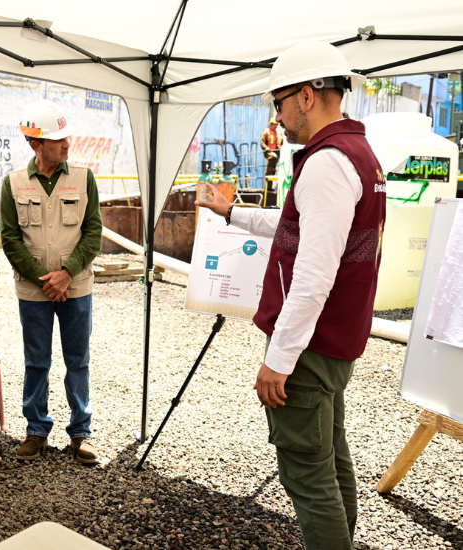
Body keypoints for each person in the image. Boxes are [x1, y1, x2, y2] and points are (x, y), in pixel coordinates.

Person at [196, 42, 386, 549]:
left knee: (307, 474)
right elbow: (299, 226)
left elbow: (314, 275)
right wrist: (232, 213)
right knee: (330, 458)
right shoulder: (357, 155)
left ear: (306, 96)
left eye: (278, 104)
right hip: (334, 341)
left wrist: (278, 359)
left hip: (309, 347)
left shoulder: (326, 162)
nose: (276, 118)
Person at [0, 99, 103, 464]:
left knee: (78, 360)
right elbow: (10, 239)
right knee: (36, 361)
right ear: (35, 144)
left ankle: (81, 432)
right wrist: (43, 279)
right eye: (57, 139)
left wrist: (66, 273)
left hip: (75, 287)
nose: (66, 143)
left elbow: (93, 234)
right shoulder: (12, 183)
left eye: (66, 136)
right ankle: (36, 430)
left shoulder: (83, 178)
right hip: (33, 291)